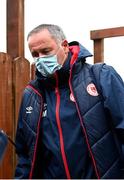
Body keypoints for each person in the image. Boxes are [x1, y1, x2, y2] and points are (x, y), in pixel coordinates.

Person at [14, 24, 124, 179]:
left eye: (46, 51)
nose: (40, 59)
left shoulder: (101, 77)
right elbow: (25, 155)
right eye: (35, 54)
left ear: (64, 46)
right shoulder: (32, 95)